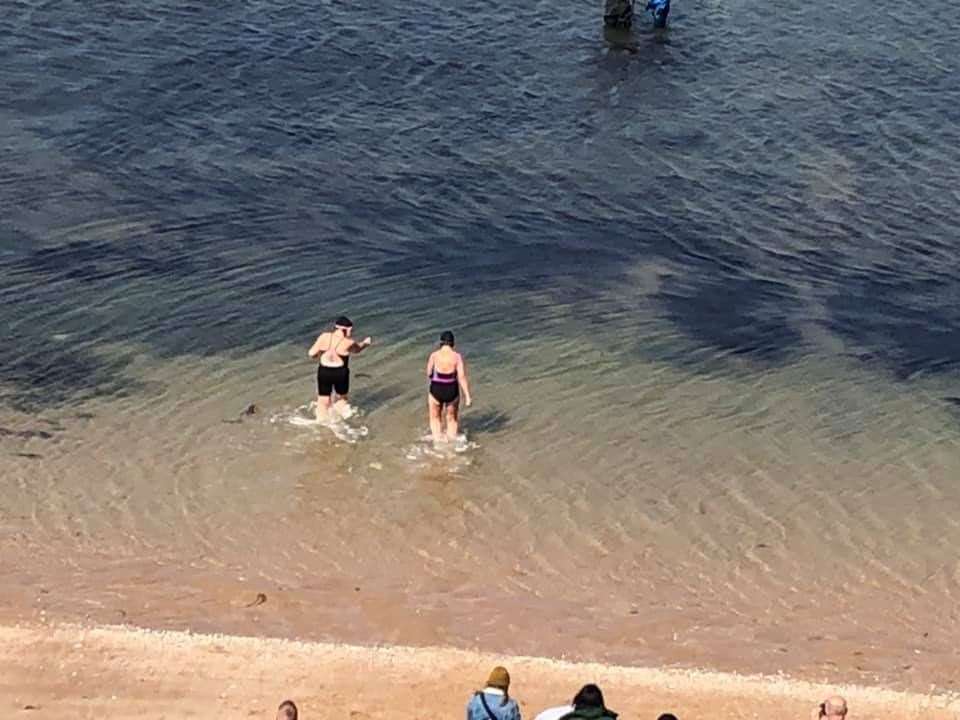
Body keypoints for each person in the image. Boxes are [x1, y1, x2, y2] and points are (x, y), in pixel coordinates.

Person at [308, 316, 372, 420]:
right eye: (351, 329)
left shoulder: (324, 336)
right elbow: (357, 350)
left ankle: (321, 421)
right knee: (342, 398)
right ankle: (337, 417)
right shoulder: (349, 342)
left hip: (324, 371)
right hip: (340, 372)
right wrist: (365, 343)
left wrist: (319, 354)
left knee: (323, 400)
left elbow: (311, 353)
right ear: (346, 329)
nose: (351, 332)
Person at [426, 330, 472, 443]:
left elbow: (428, 373)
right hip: (451, 390)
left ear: (441, 343)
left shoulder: (434, 355)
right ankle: (451, 443)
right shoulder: (457, 357)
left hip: (436, 389)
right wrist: (467, 396)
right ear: (453, 343)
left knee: (435, 418)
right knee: (452, 420)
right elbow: (461, 377)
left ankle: (437, 441)